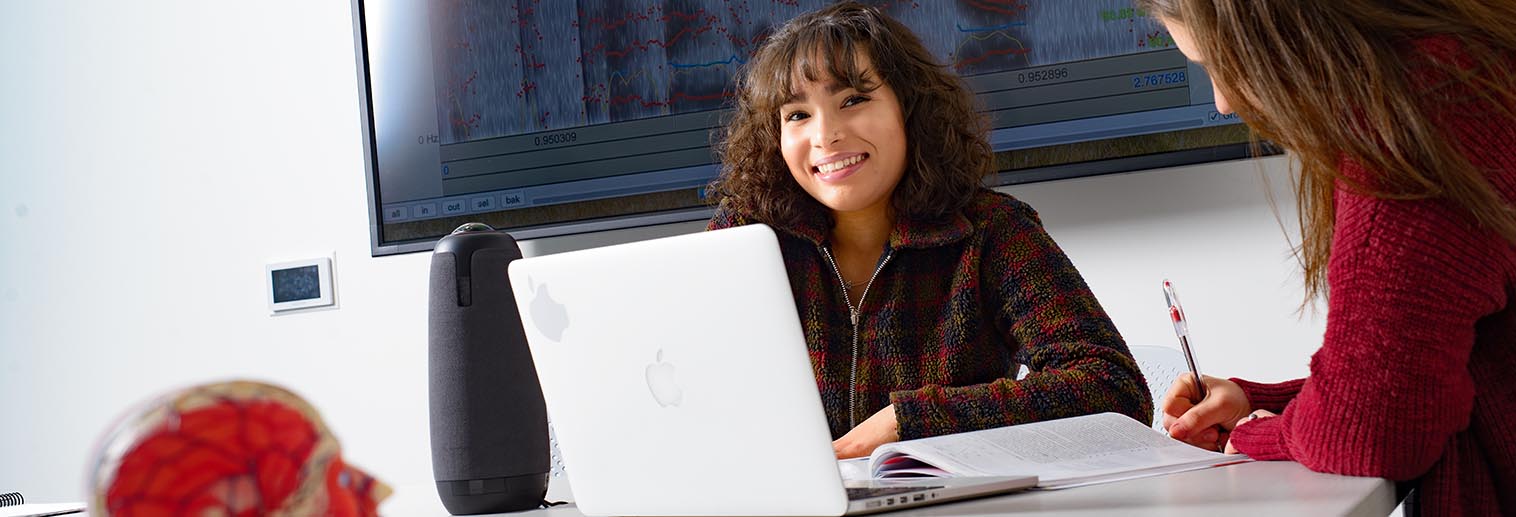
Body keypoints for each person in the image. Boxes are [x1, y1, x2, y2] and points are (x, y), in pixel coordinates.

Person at [704, 1, 1151, 460]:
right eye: (797, 115)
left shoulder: (989, 230)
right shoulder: (744, 236)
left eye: (853, 100)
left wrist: (908, 421)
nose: (825, 136)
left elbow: (1112, 387)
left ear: (910, 107)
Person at [1137, 0, 1516, 513]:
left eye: (1220, 62)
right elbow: (1416, 383)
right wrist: (1264, 404)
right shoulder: (1469, 65)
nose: (1222, 102)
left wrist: (1254, 435)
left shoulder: (1412, 125)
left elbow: (1374, 429)